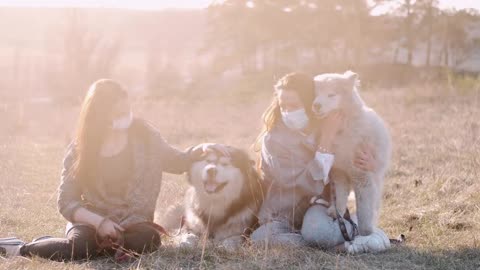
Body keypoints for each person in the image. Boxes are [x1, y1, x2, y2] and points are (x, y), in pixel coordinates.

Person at [0, 79, 225, 261]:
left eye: (127, 110)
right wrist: (100, 223)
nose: (126, 117)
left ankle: (100, 245)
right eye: (118, 113)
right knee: (81, 248)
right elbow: (66, 201)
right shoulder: (81, 149)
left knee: (147, 240)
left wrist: (200, 151)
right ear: (100, 116)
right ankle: (20, 248)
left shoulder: (145, 136)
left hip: (134, 223)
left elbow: (176, 161)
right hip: (91, 221)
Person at [250, 72, 377, 247]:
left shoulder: (329, 123)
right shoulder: (273, 140)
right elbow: (305, 184)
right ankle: (321, 242)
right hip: (284, 212)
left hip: (318, 208)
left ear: (310, 103)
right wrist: (326, 140)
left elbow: (353, 166)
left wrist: (370, 163)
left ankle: (353, 226)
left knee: (318, 233)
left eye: (294, 105)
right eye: (283, 106)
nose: (287, 112)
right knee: (259, 239)